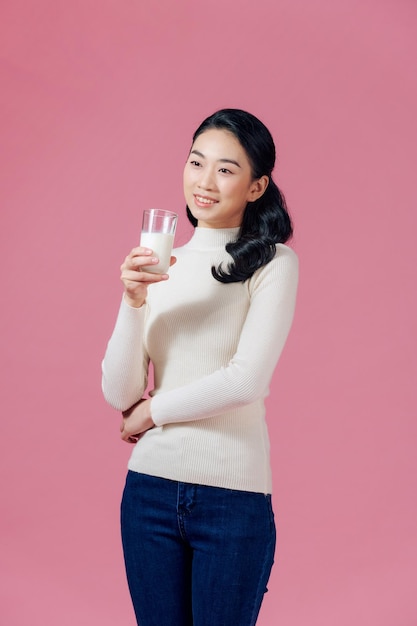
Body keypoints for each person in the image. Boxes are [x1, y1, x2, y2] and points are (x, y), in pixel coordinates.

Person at [101, 108, 299, 626]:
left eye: (226, 169)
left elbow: (246, 379)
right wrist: (132, 298)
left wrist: (152, 414)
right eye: (196, 162)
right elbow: (118, 392)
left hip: (234, 499)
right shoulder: (161, 262)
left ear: (257, 187)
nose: (204, 182)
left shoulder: (273, 263)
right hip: (149, 492)